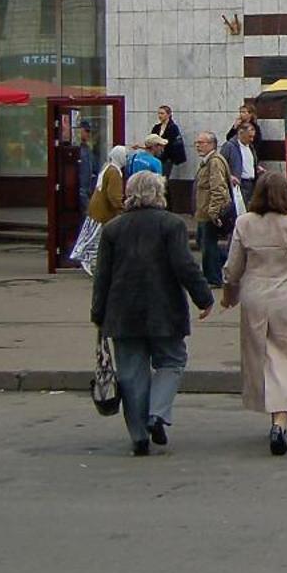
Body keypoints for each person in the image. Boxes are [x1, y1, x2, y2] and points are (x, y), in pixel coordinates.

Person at [90, 171, 215, 456]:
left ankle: (139, 437)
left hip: (122, 311)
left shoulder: (113, 229)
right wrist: (204, 298)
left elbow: (102, 277)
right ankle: (157, 413)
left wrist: (98, 315)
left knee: (131, 374)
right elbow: (184, 265)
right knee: (172, 360)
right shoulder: (171, 225)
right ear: (159, 193)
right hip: (164, 309)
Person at [222, 170, 287, 457]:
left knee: (265, 362)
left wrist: (229, 296)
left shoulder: (244, 223)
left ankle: (274, 417)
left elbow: (232, 269)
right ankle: (280, 423)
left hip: (255, 298)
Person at [69, 145, 128, 275]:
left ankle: (89, 259)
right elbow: (114, 195)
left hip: (95, 208)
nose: (126, 159)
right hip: (104, 212)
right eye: (125, 156)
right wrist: (122, 208)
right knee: (97, 237)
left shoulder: (107, 167)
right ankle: (91, 262)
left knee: (91, 235)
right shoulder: (115, 173)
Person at [190, 131, 234, 288]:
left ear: (211, 144)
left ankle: (213, 278)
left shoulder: (214, 162)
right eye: (197, 143)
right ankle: (228, 261)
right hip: (203, 212)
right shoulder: (206, 162)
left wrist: (214, 212)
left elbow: (218, 189)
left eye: (201, 143)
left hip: (209, 213)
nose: (197, 146)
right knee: (202, 242)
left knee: (208, 245)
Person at [220, 121, 260, 207]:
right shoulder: (229, 146)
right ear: (241, 133)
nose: (251, 139)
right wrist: (229, 176)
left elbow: (248, 163)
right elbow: (220, 165)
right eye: (249, 136)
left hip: (251, 183)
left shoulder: (250, 147)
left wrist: (256, 168)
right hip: (239, 184)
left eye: (253, 137)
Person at [151, 106, 186, 176]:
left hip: (167, 157)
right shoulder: (156, 127)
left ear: (168, 114)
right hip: (156, 156)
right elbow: (151, 139)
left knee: (163, 177)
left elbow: (171, 143)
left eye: (162, 113)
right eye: (159, 113)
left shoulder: (173, 127)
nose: (160, 116)